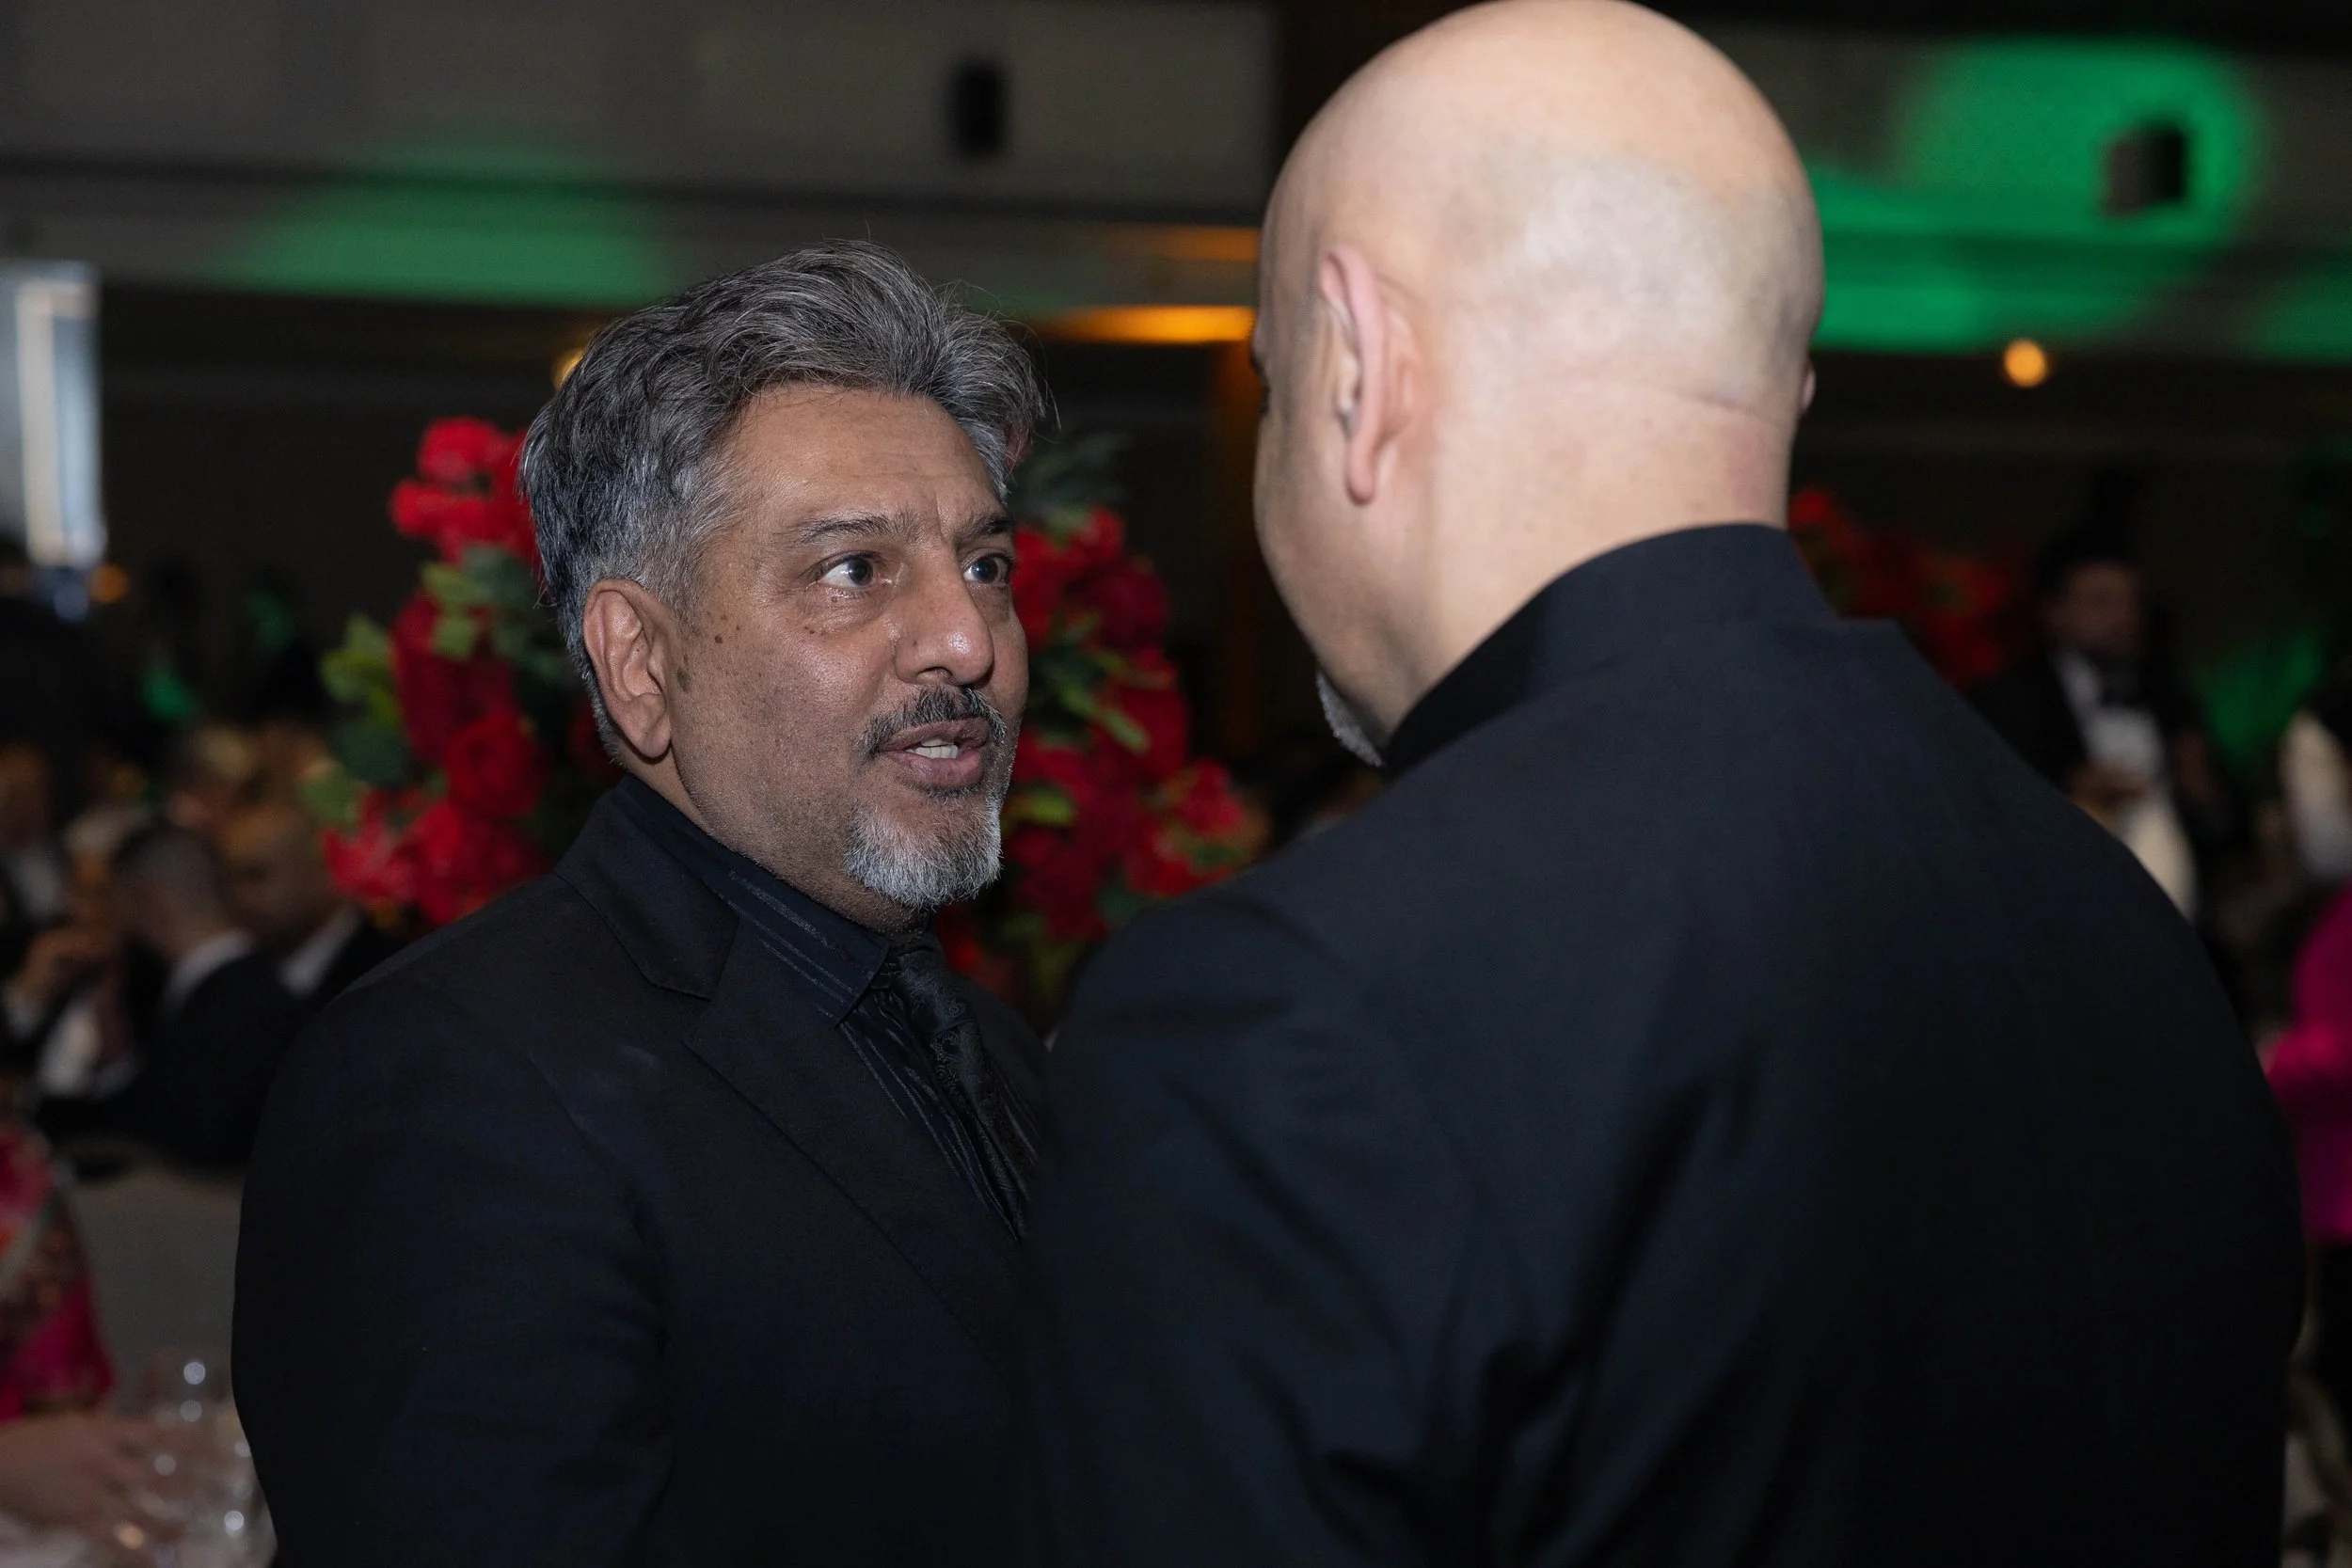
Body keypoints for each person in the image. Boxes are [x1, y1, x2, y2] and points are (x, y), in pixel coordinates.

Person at [1022, 6, 2303, 1565]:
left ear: (1364, 367)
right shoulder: (2123, 923)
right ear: (1788, 392)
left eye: (1275, 385)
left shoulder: (1288, 1010)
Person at [236, 243, 1049, 1565]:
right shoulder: (452, 1084)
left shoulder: (1000, 1048)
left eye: (987, 565)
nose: (968, 640)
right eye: (854, 569)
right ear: (639, 660)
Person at [1971, 484, 2236, 917]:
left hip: (2178, 917)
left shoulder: (2171, 695)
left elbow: (2225, 829)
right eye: (2101, 602)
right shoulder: (2011, 699)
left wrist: (2203, 790)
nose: (2121, 618)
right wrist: (2069, 792)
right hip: (2059, 909)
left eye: (2131, 603)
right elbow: (1984, 810)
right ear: (2055, 612)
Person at [91, 825, 304, 1170]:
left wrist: (115, 1069)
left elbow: (174, 1149)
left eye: (116, 907)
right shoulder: (259, 989)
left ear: (152, 904)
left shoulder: (227, 1012)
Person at [216, 800, 398, 1013]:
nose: (240, 896)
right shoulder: (239, 983)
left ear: (322, 867)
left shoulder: (386, 969)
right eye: (230, 879)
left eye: (256, 875)